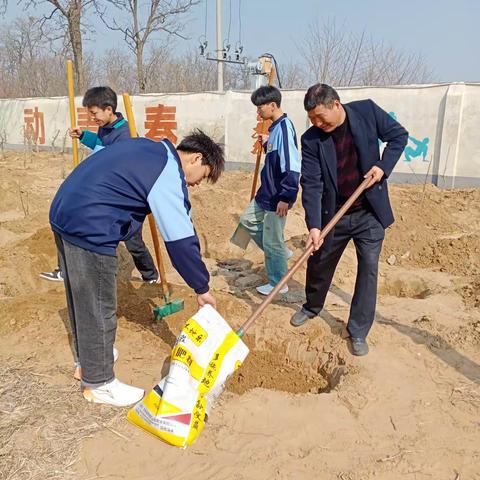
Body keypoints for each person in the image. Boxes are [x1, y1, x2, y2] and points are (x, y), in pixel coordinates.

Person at [49, 130, 224, 406]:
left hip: (65, 209)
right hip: (91, 221)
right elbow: (179, 239)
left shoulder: (150, 150)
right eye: (203, 176)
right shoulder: (167, 171)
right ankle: (99, 382)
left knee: (79, 295)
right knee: (98, 303)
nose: (197, 184)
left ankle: (88, 359)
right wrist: (201, 287)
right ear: (196, 159)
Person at [290, 83, 408, 356]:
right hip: (335, 213)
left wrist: (382, 166)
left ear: (336, 105)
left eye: (321, 117)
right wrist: (315, 226)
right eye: (312, 119)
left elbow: (399, 136)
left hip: (369, 212)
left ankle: (357, 330)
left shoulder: (367, 112)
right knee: (319, 260)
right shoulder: (311, 140)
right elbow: (311, 183)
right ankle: (312, 306)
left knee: (368, 269)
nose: (318, 123)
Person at [40, 86, 159, 284]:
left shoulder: (125, 134)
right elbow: (102, 145)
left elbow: (113, 159)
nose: (92, 118)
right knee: (75, 223)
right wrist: (84, 135)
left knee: (133, 242)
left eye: (94, 113)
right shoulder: (106, 126)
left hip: (125, 199)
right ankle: (66, 270)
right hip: (105, 195)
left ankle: (151, 276)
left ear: (109, 109)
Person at [231, 85, 300, 295]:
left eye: (260, 108)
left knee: (272, 240)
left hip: (278, 196)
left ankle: (279, 283)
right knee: (248, 220)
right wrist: (265, 145)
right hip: (266, 193)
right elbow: (275, 158)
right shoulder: (275, 129)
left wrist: (286, 197)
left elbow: (291, 165)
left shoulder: (285, 127)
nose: (258, 112)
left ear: (272, 105)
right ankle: (280, 251)